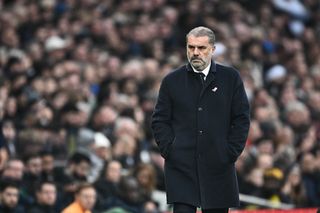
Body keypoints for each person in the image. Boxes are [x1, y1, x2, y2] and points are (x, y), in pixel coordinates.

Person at [151, 26, 250, 213]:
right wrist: (170, 149)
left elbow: (241, 119)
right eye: (191, 47)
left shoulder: (230, 78)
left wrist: (230, 152)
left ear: (212, 49)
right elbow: (160, 120)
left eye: (201, 48)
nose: (195, 52)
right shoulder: (172, 81)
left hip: (218, 166)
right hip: (181, 166)